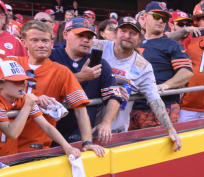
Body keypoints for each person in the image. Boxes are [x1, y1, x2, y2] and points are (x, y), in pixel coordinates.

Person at [15, 19, 104, 156]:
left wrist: (87, 142)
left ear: (52, 43)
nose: (41, 45)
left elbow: (80, 109)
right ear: (23, 42)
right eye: (34, 40)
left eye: (45, 41)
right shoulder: (10, 64)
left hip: (35, 147)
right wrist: (32, 99)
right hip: (5, 142)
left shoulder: (61, 72)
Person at [98, 17, 181, 150]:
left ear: (139, 38)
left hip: (114, 133)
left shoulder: (143, 66)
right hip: (84, 127)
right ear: (115, 33)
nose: (127, 36)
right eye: (123, 31)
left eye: (133, 33)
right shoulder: (97, 47)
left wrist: (170, 129)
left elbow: (154, 99)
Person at [50, 16, 122, 144]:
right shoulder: (52, 57)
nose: (86, 40)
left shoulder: (99, 62)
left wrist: (106, 123)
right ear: (65, 34)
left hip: (83, 135)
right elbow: (43, 88)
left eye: (89, 37)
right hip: (51, 132)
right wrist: (78, 77)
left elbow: (114, 96)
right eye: (80, 35)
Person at [0, 59, 79, 160]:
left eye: (23, 80)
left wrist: (67, 147)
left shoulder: (23, 99)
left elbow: (47, 126)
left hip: (8, 157)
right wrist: (27, 106)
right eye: (16, 81)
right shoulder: (25, 101)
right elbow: (12, 133)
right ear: (1, 84)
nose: (22, 85)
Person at [134, 1, 193, 130]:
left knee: (158, 146)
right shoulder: (136, 42)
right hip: (134, 105)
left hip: (164, 105)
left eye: (165, 18)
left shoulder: (172, 44)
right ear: (145, 16)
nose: (161, 21)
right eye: (156, 16)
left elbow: (187, 72)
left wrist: (166, 85)